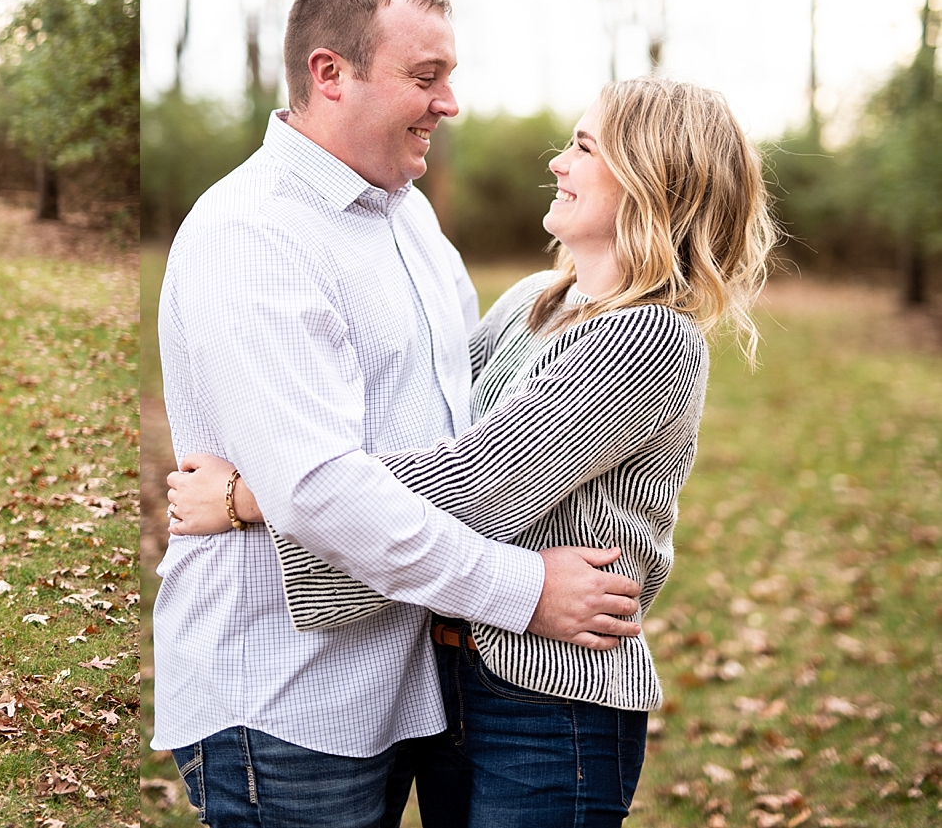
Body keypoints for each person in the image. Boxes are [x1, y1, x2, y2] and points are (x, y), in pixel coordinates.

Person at [168, 77, 777, 827]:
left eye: (585, 148)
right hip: (457, 677)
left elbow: (474, 483)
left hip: (553, 701)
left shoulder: (649, 336)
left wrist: (257, 496)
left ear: (654, 181)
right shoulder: (536, 300)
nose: (557, 162)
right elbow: (435, 427)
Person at [151, 0, 646, 828]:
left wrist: (246, 495)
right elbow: (321, 491)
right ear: (330, 73)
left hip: (416, 682)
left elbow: (469, 428)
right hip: (289, 699)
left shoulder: (406, 214)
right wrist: (522, 588)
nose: (448, 102)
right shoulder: (252, 234)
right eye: (426, 76)